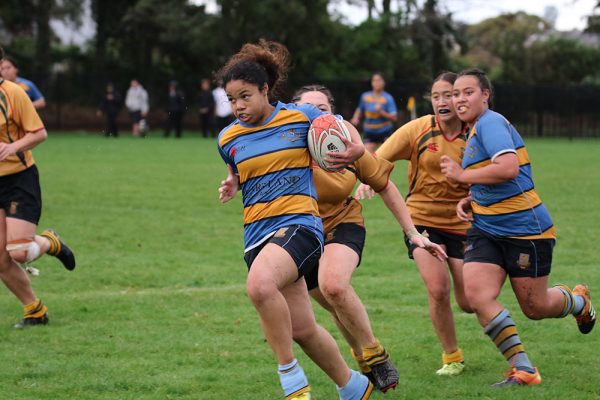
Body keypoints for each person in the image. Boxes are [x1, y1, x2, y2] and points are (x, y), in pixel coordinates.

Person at [217, 40, 374, 400]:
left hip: (300, 226)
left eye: (245, 96)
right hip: (256, 235)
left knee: (258, 287)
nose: (238, 106)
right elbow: (239, 170)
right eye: (231, 99)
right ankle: (354, 387)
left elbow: (344, 137)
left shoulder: (301, 117)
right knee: (303, 329)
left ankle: (290, 379)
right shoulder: (227, 138)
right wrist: (232, 182)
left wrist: (358, 151)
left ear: (265, 90)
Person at [440, 68, 596, 387]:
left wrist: (461, 177)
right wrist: (473, 197)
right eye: (455, 93)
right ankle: (523, 368)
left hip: (526, 229)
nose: (459, 99)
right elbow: (498, 176)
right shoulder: (474, 130)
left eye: (467, 92)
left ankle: (579, 301)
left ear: (485, 95)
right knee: (477, 295)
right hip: (486, 229)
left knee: (536, 308)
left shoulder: (491, 123)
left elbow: (509, 168)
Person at [293, 84, 447, 392]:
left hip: (342, 221)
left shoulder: (347, 142)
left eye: (322, 109)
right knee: (334, 305)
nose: (316, 116)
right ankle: (361, 359)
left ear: (333, 113)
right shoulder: (284, 147)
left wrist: (413, 233)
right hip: (300, 234)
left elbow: (386, 186)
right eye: (307, 109)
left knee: (335, 286)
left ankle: (376, 356)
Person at [356, 72, 474, 377]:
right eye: (435, 96)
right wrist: (370, 179)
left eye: (448, 95)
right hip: (421, 221)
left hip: (464, 225)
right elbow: (379, 158)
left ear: (461, 97)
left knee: (470, 301)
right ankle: (452, 356)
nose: (442, 102)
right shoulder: (418, 129)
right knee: (437, 289)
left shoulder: (476, 132)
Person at [0, 47, 76, 329]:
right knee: (0, 259)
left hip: (19, 179)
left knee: (18, 252)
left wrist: (12, 147)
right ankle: (34, 310)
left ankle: (50, 241)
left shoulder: (14, 93)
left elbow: (39, 133)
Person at [350, 73, 397, 153]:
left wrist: (381, 112)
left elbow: (394, 118)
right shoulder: (365, 96)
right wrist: (355, 118)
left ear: (383, 83)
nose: (376, 83)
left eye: (379, 80)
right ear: (371, 83)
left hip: (384, 131)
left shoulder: (388, 98)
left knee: (386, 156)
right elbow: (359, 109)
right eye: (374, 80)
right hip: (369, 131)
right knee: (368, 157)